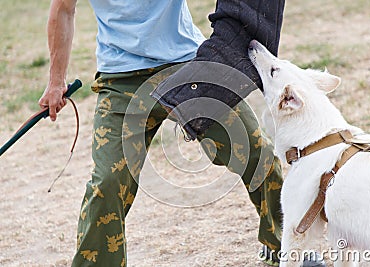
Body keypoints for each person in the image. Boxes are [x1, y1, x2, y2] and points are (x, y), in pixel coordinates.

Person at [39, 0, 324, 266]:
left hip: (188, 64)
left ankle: (290, 253)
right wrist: (55, 81)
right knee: (108, 183)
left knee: (259, 155)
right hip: (120, 78)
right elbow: (63, 9)